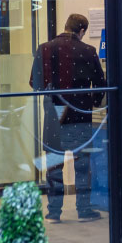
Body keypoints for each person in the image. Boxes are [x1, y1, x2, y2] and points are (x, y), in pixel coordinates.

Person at [30, 13, 106, 223]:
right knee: (82, 164)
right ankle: (83, 209)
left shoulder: (44, 49)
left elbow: (34, 83)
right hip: (80, 115)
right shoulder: (88, 51)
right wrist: (95, 101)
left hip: (54, 115)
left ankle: (53, 212)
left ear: (65, 26)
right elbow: (101, 83)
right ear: (82, 31)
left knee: (54, 164)